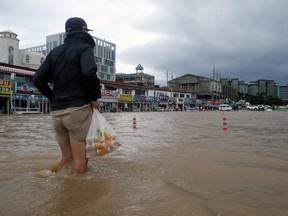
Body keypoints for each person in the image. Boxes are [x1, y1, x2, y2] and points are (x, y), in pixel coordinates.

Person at [32, 17, 101, 173]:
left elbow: (37, 80)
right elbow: (89, 72)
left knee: (66, 157)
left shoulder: (54, 52)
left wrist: (53, 97)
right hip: (77, 110)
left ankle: (54, 180)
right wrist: (94, 98)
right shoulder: (84, 48)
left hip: (57, 112)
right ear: (84, 31)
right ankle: (77, 195)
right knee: (81, 159)